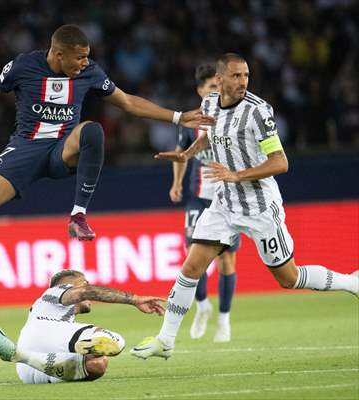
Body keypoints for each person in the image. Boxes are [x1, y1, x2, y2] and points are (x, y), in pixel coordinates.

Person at [0, 24, 214, 310]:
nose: (84, 64)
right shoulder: (23, 66)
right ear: (58, 53)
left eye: (86, 58)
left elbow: (128, 102)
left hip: (62, 150)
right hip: (24, 149)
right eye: (78, 58)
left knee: (92, 130)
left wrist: (176, 116)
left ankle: (78, 214)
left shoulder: (90, 72)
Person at [131, 53, 359, 360]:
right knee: (191, 267)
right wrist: (186, 154)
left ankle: (350, 282)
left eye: (246, 76)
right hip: (224, 205)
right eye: (236, 76)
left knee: (288, 279)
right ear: (221, 78)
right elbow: (208, 137)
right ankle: (166, 340)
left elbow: (281, 162)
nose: (242, 82)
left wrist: (236, 175)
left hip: (260, 208)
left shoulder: (258, 112)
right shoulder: (210, 104)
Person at [0, 269, 165, 383]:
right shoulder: (55, 292)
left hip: (30, 370)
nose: (87, 287)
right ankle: (21, 355)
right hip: (44, 332)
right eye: (84, 282)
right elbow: (86, 291)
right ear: (68, 284)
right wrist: (135, 300)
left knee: (98, 364)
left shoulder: (53, 312)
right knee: (115, 341)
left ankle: (20, 356)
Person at [167, 64, 239, 343]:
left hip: (229, 198)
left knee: (226, 260)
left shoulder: (232, 117)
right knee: (192, 258)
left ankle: (224, 320)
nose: (216, 91)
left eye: (219, 86)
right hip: (198, 197)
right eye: (211, 87)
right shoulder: (192, 121)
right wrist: (175, 184)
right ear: (200, 90)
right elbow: (180, 154)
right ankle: (202, 306)